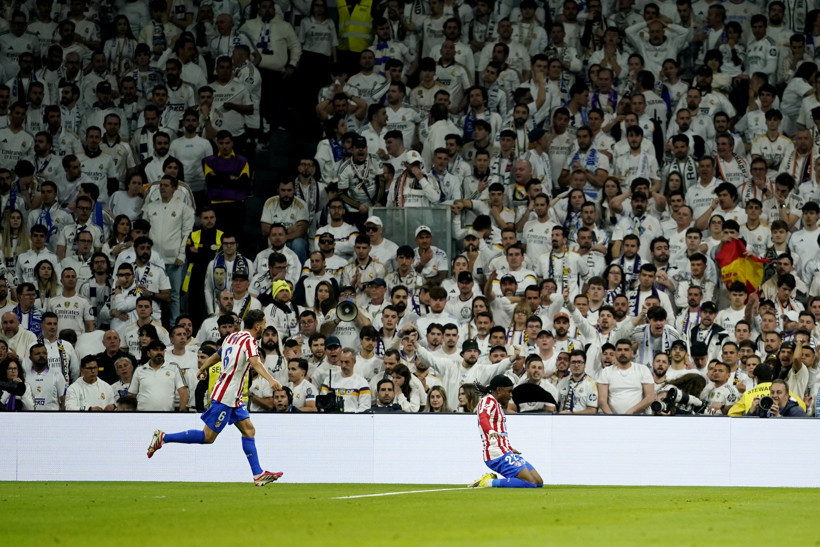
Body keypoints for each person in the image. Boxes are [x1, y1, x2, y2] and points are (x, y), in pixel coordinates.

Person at [146, 309, 283, 486]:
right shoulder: (249, 340)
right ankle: (163, 437)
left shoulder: (231, 337)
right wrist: (271, 380)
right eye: (264, 324)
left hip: (233, 396)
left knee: (249, 430)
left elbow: (217, 355)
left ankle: (258, 474)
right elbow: (255, 362)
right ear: (258, 325)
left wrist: (203, 368)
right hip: (226, 396)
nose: (264, 327)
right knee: (207, 437)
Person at [469, 374, 544, 489]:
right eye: (509, 391)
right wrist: (489, 431)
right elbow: (483, 417)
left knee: (538, 482)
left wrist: (508, 447)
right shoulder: (487, 401)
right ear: (498, 390)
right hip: (496, 454)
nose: (510, 395)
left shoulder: (495, 404)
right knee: (530, 483)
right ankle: (488, 483)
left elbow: (500, 431)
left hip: (505, 451)